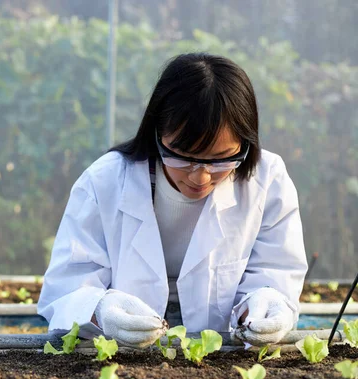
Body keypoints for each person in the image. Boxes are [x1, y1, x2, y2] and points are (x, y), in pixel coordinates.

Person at [37, 53, 308, 349]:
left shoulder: (267, 180)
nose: (201, 177)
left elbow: (277, 271)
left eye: (221, 159)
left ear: (246, 143)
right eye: (183, 157)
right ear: (156, 132)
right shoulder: (104, 182)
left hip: (222, 354)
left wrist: (265, 302)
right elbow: (67, 285)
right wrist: (100, 309)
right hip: (123, 352)